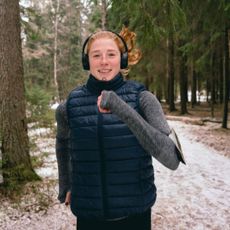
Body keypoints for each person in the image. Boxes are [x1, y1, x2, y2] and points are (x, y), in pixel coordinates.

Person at [55, 26, 185, 230]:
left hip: (135, 217)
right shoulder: (69, 105)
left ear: (122, 60)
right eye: (96, 55)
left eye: (111, 54)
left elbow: (171, 159)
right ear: (86, 61)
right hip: (88, 218)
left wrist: (123, 109)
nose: (104, 61)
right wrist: (66, 184)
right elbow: (62, 143)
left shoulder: (143, 99)